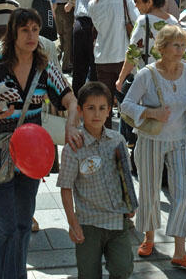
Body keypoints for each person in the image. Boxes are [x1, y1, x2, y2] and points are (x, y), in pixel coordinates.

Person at [0, 8, 80, 279]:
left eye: (35, 29)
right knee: (4, 228)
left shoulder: (45, 68)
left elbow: (70, 98)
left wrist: (70, 122)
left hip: (30, 158)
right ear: (13, 33)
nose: (32, 35)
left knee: (22, 225)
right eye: (25, 30)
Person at [121, 25, 186, 268]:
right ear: (162, 48)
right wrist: (152, 112)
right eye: (176, 45)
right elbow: (126, 106)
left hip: (181, 140)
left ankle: (180, 250)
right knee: (149, 191)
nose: (181, 50)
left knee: (182, 193)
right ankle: (149, 236)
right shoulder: (147, 74)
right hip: (151, 139)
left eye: (183, 46)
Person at [58, 81, 135, 279]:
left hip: (117, 219)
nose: (97, 114)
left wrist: (131, 203)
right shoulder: (73, 148)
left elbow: (125, 175)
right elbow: (65, 187)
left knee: (123, 268)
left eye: (102, 108)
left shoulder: (117, 140)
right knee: (88, 274)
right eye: (90, 108)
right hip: (88, 223)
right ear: (81, 111)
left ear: (110, 110)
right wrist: (72, 222)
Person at [88, 0, 139, 128]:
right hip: (123, 57)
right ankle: (127, 136)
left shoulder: (93, 3)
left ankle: (105, 133)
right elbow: (138, 24)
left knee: (105, 102)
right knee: (128, 100)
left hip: (102, 56)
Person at [115, 0, 178, 94]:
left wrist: (121, 79)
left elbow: (133, 54)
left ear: (149, 2)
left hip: (149, 82)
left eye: (138, 2)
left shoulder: (144, 21)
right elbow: (183, 54)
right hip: (172, 81)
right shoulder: (173, 20)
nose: (136, 5)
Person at [73, 0, 115, 95]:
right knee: (94, 65)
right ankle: (92, 98)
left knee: (79, 66)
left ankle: (77, 97)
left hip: (79, 24)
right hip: (92, 25)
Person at [53, 0, 79, 73]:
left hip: (57, 7)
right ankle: (66, 64)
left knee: (61, 36)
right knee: (68, 38)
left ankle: (55, 61)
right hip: (67, 9)